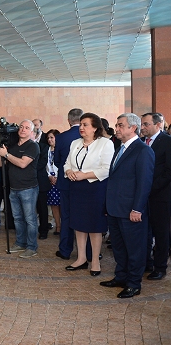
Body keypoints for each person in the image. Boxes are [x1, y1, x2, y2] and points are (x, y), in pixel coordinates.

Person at [101, 113, 154, 298]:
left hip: (131, 210)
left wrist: (137, 209)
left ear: (133, 128)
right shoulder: (120, 148)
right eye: (117, 125)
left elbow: (144, 183)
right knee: (119, 247)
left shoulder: (143, 150)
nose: (116, 129)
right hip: (115, 209)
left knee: (134, 249)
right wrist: (107, 206)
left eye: (120, 125)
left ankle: (133, 284)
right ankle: (121, 277)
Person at [63, 113, 114, 275]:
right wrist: (69, 171)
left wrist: (84, 175)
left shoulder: (105, 143)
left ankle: (95, 262)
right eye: (81, 124)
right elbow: (67, 163)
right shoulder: (75, 143)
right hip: (76, 189)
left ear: (95, 128)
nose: (81, 127)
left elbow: (107, 169)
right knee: (78, 225)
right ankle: (81, 258)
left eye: (85, 125)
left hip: (95, 189)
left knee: (94, 226)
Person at [0, 120, 40, 258]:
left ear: (31, 132)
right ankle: (21, 242)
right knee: (17, 218)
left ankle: (32, 247)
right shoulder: (13, 146)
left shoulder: (33, 146)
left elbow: (22, 164)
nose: (23, 129)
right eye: (21, 127)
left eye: (27, 128)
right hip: (13, 188)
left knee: (30, 219)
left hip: (28, 188)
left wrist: (6, 155)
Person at [141, 112, 171, 280]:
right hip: (142, 197)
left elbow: (168, 171)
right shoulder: (140, 142)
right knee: (144, 231)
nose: (143, 127)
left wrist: (150, 188)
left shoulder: (167, 142)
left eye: (146, 124)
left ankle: (160, 267)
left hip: (160, 196)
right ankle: (146, 262)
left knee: (161, 233)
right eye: (142, 124)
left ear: (158, 124)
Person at [54, 108, 83, 260]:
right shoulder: (88, 135)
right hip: (85, 182)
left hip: (65, 182)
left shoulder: (61, 137)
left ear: (69, 120)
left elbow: (57, 161)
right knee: (85, 216)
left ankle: (65, 250)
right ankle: (89, 252)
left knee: (66, 217)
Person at [45, 129, 61, 235]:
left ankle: (64, 226)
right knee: (54, 205)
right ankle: (58, 226)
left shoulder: (61, 149)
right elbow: (45, 165)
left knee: (62, 205)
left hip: (60, 180)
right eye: (48, 138)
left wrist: (58, 177)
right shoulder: (46, 150)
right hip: (50, 180)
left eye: (52, 137)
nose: (49, 140)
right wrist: (49, 176)